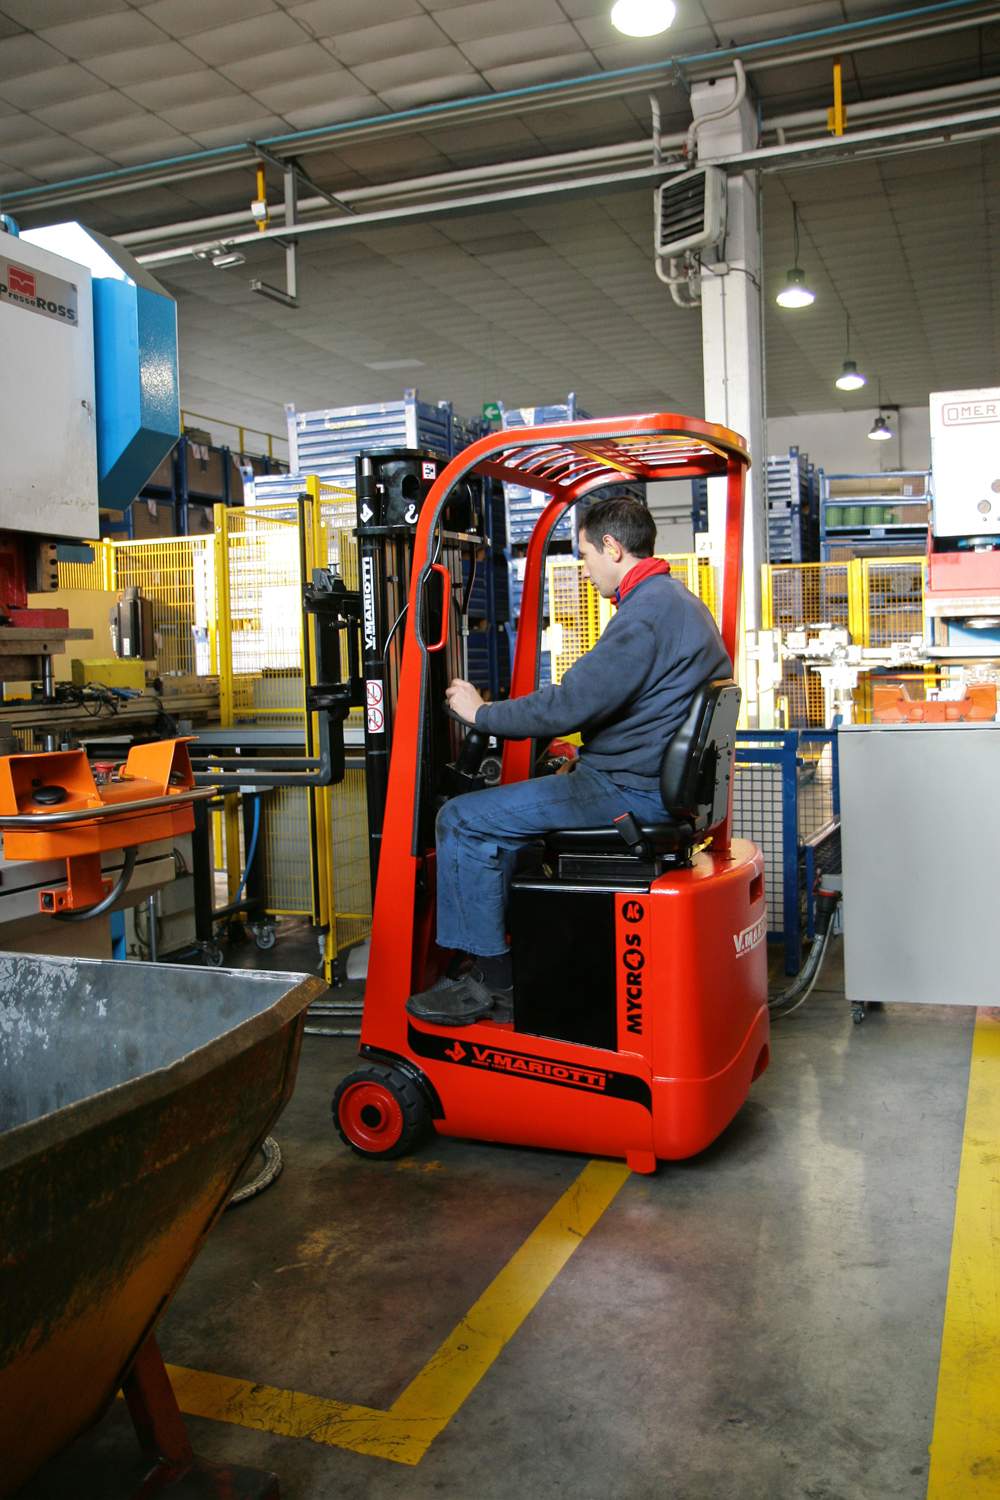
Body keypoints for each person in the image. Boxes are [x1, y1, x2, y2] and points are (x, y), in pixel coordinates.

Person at [406, 494, 731, 1028]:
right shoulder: (677, 602)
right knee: (517, 812)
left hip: (628, 791)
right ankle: (519, 942)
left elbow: (570, 704)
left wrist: (482, 713)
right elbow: (638, 707)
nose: (585, 568)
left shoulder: (645, 616)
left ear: (612, 547)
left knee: (461, 819)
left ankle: (492, 982)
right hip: (645, 781)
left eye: (585, 555)